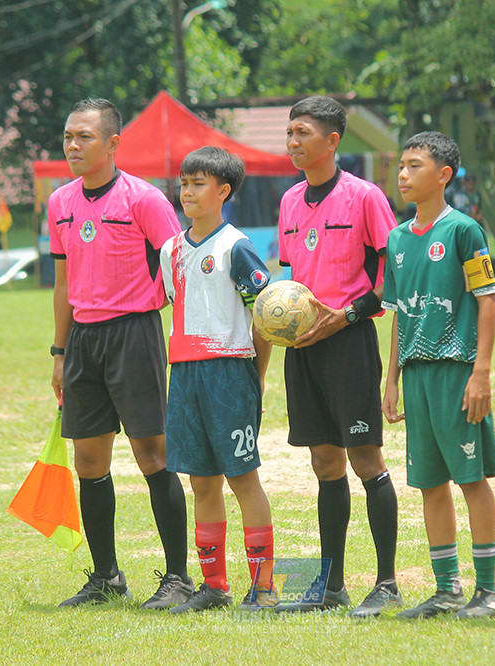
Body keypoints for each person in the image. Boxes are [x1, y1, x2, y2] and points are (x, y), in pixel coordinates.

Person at [48, 98, 193, 609]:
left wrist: (171, 325)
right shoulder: (60, 202)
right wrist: (60, 353)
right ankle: (106, 576)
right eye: (68, 136)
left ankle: (178, 577)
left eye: (84, 137)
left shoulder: (145, 199)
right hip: (84, 340)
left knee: (152, 453)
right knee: (89, 460)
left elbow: (179, 264)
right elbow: (63, 283)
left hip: (135, 335)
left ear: (112, 144)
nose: (72, 145)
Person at [273, 95, 402, 618]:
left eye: (303, 132)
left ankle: (388, 582)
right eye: (290, 132)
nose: (293, 141)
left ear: (332, 141)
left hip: (349, 342)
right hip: (302, 348)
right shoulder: (287, 201)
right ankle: (329, 587)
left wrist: (347, 315)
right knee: (324, 462)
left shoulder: (365, 196)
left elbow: (393, 277)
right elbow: (289, 279)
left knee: (365, 458)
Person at [381, 132, 495, 620]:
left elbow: (488, 300)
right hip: (416, 375)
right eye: (402, 166)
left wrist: (482, 372)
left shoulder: (464, 231)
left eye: (414, 166)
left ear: (444, 175)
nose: (403, 175)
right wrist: (391, 379)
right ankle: (446, 588)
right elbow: (397, 314)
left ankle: (487, 591)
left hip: (457, 372)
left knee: (470, 478)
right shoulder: (395, 239)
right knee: (430, 484)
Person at [158, 147, 277, 613]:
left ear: (223, 191)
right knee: (201, 483)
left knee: (242, 478)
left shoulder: (237, 246)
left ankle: (264, 586)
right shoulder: (170, 249)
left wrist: (256, 376)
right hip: (184, 373)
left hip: (229, 370)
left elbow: (266, 316)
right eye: (184, 183)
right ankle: (214, 585)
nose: (187, 191)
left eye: (198, 183)